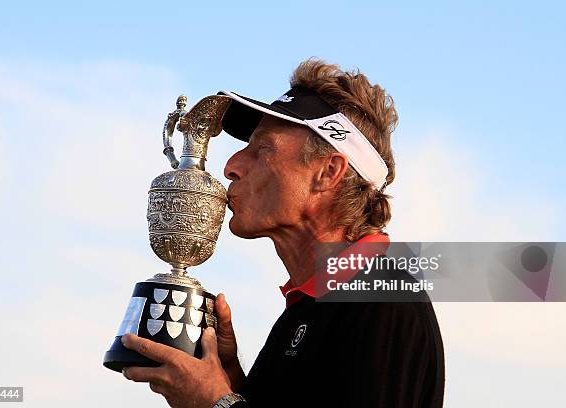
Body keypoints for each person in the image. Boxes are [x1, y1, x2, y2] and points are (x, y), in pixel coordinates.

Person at [119, 59, 445, 408]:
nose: (232, 166)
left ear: (327, 173)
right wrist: (232, 381)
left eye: (262, 150)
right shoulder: (313, 306)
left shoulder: (382, 302)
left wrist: (214, 403)